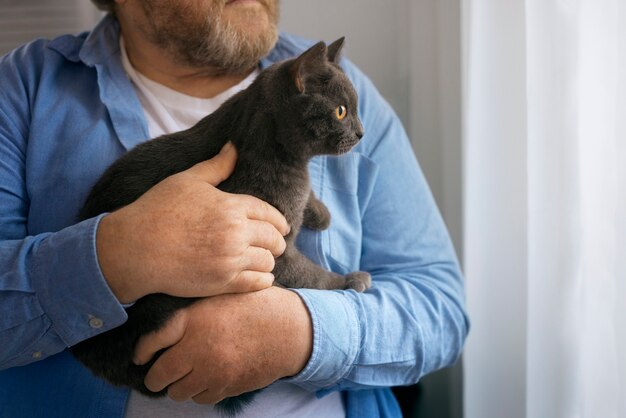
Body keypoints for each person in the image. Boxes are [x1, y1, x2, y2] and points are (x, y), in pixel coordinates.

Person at [0, 0, 469, 417]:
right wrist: (114, 256)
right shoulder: (23, 88)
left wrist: (301, 334)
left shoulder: (339, 83)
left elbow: (441, 309)